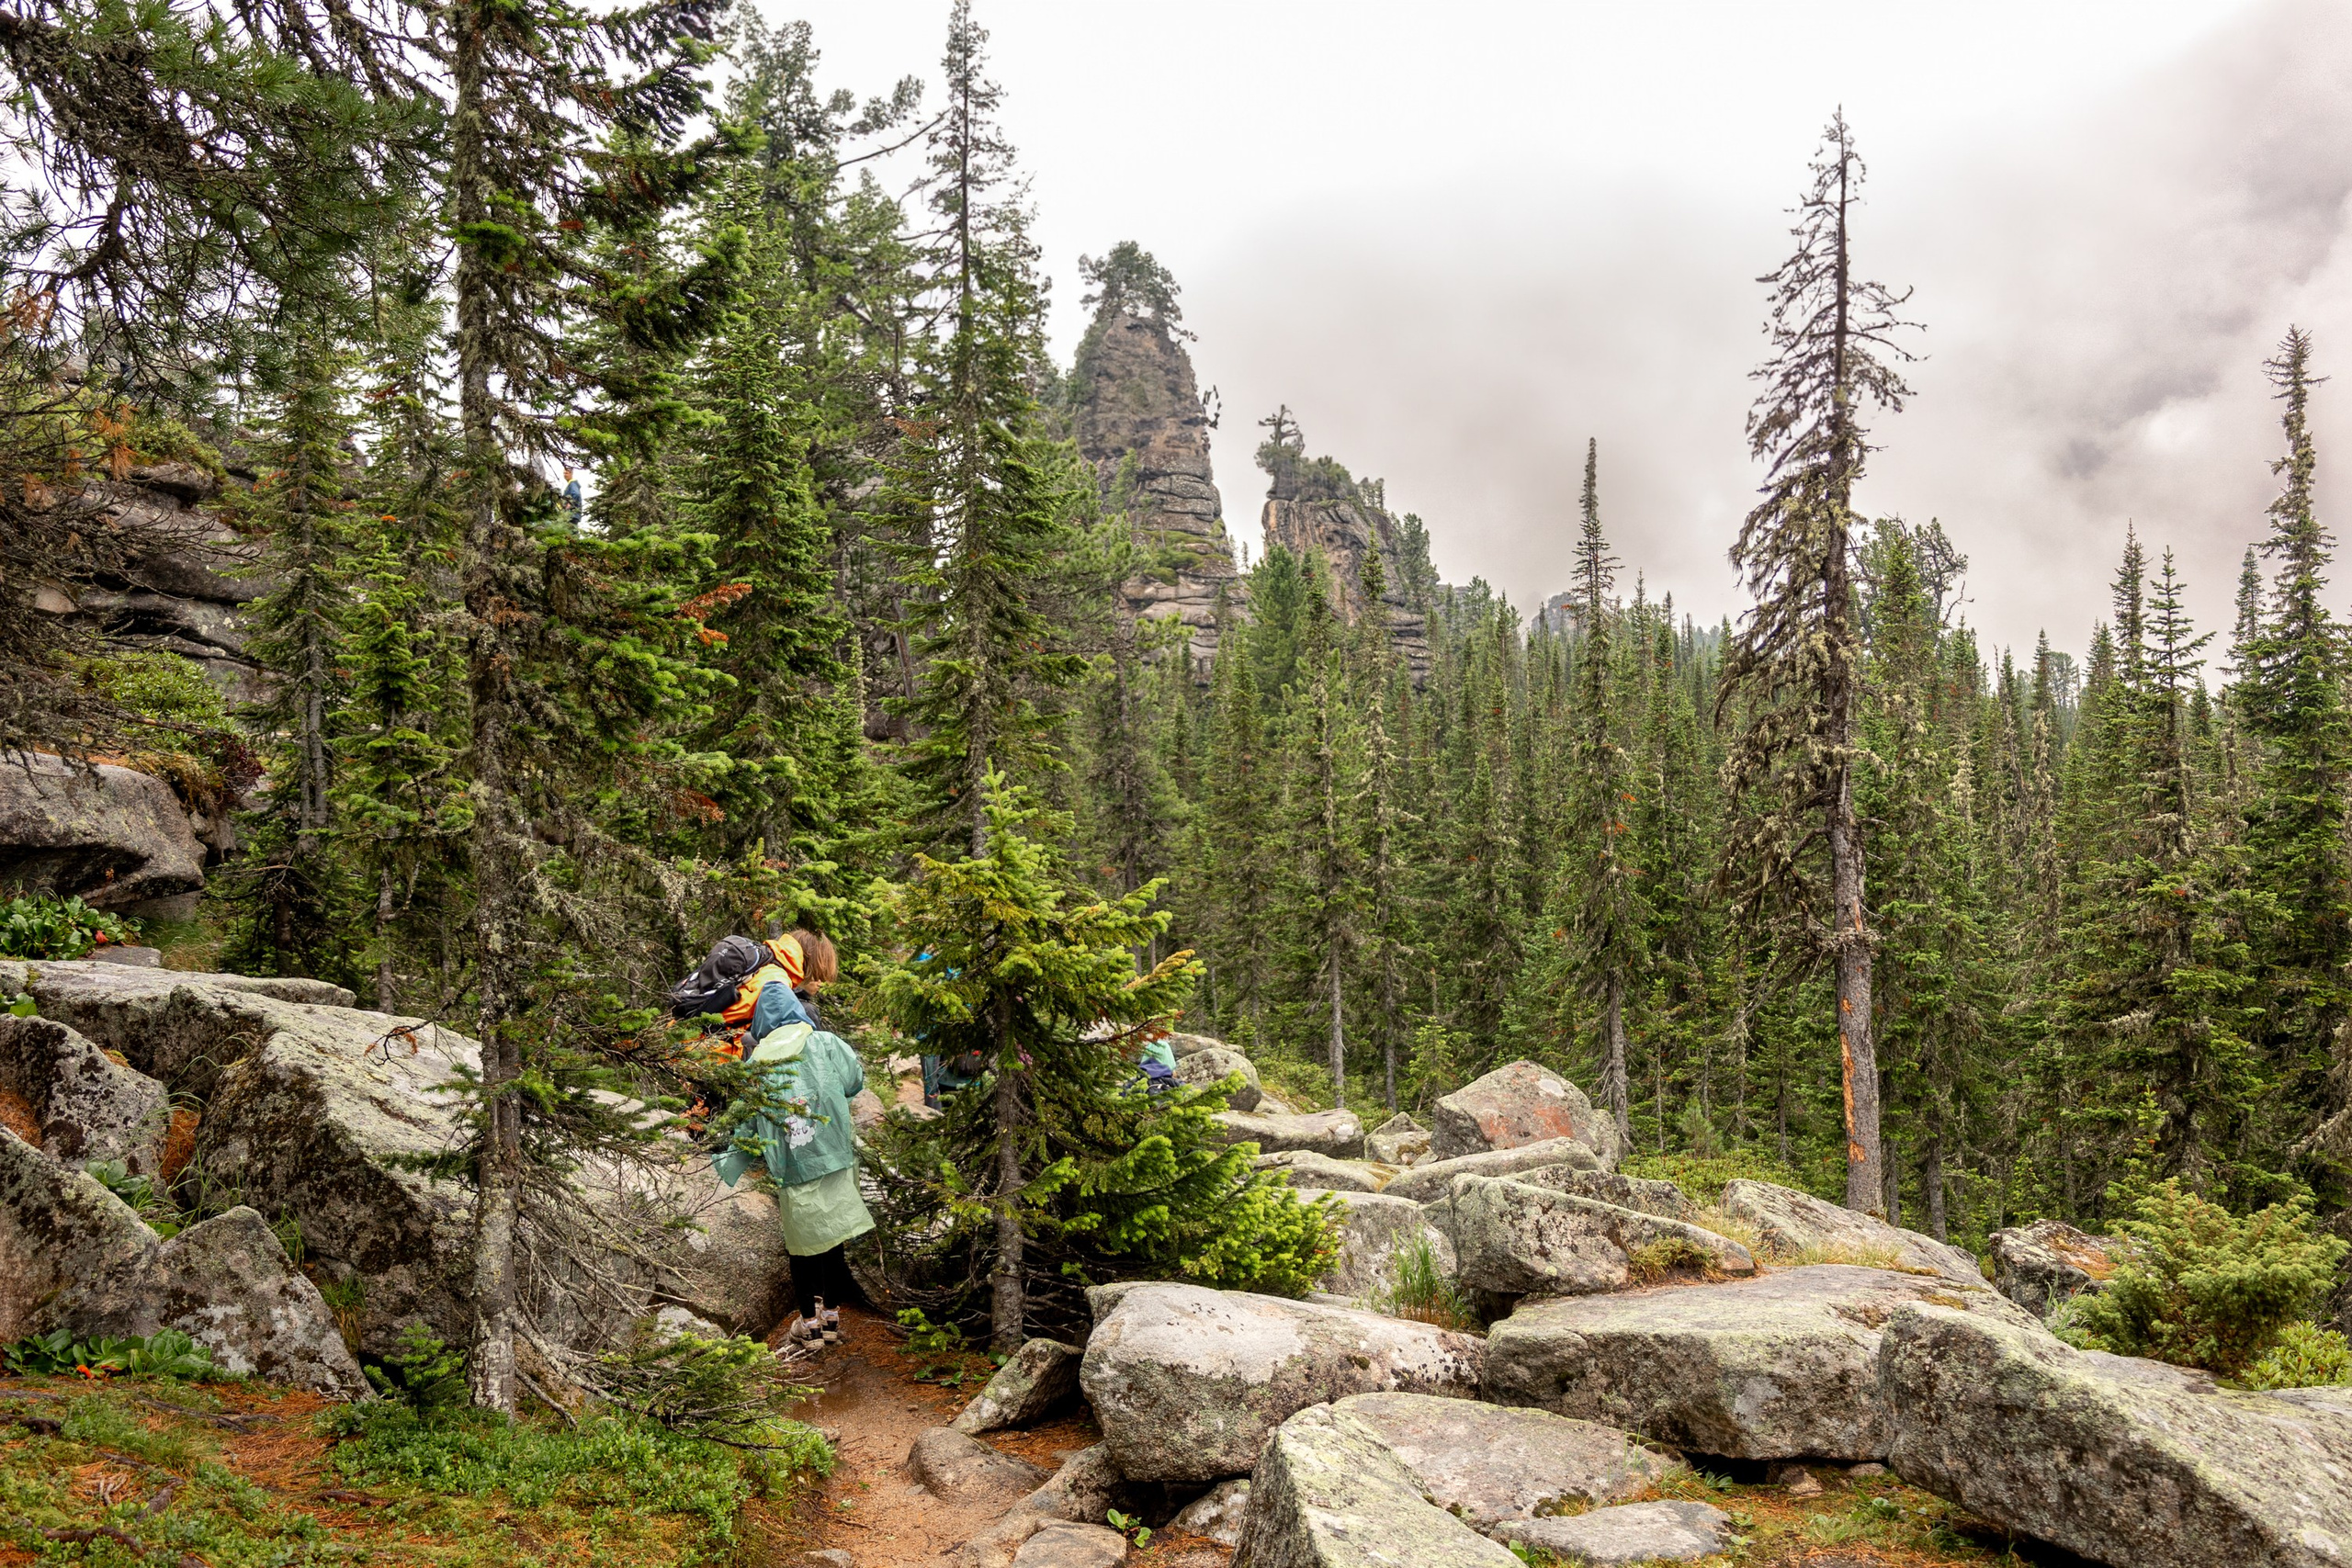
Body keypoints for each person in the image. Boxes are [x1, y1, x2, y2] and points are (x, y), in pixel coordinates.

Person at [712, 928, 869, 1348]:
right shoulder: (827, 1042)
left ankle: (809, 1327)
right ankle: (832, 1318)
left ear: (762, 1020)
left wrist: (724, 1165)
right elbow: (855, 1082)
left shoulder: (756, 1061)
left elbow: (743, 1124)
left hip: (794, 1165)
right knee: (835, 1237)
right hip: (835, 1155)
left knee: (801, 1247)